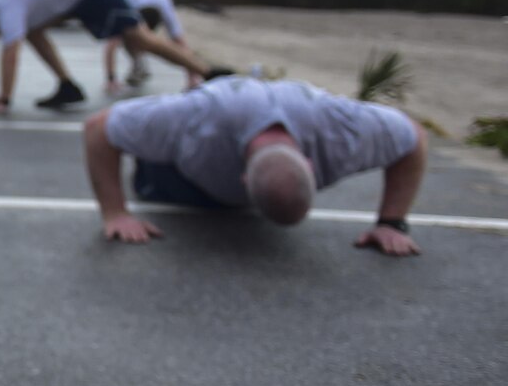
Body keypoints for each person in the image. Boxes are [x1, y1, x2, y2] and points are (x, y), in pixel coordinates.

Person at [80, 76, 427, 254]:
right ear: (243, 179)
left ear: (310, 162)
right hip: (186, 170)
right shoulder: (194, 118)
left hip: (280, 109)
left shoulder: (340, 131)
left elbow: (414, 138)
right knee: (152, 176)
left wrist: (392, 222)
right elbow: (97, 129)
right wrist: (116, 214)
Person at [0, 0, 224, 113]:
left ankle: (209, 73)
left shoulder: (7, 6)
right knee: (34, 33)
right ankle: (67, 86)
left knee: (139, 38)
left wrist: (3, 98)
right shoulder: (8, 0)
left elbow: (10, 52)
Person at [101, 0, 191, 91]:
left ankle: (138, 65)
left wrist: (193, 77)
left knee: (135, 38)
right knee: (126, 36)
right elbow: (111, 44)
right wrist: (111, 80)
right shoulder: (122, 8)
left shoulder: (164, 6)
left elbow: (179, 40)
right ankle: (139, 65)